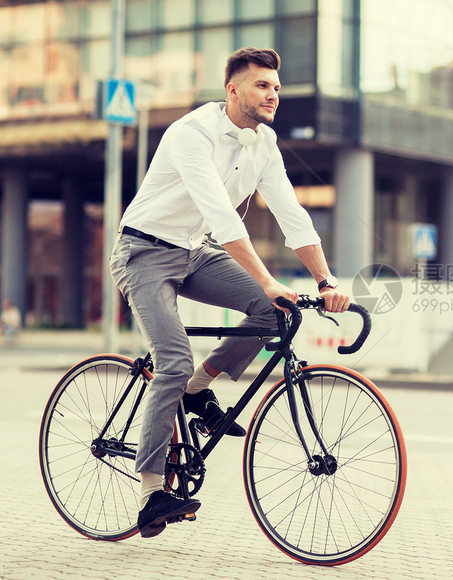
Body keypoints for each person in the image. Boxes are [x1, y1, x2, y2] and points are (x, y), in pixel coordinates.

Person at [109, 47, 350, 538]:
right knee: (172, 360)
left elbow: (291, 213)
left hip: (194, 252)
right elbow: (220, 214)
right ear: (233, 90)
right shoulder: (191, 134)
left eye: (277, 87)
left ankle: (199, 390)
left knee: (272, 310)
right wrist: (267, 276)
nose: (273, 95)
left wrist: (326, 281)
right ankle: (151, 491)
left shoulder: (265, 143)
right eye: (262, 85)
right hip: (144, 252)